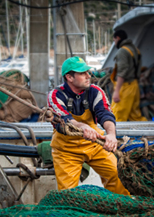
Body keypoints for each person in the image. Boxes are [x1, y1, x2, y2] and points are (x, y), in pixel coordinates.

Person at [47, 56, 130, 195]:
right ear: (69, 77)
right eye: (82, 73)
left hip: (95, 145)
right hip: (66, 151)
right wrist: (83, 127)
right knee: (67, 194)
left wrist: (111, 134)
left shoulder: (95, 91)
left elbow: (105, 114)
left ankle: (123, 208)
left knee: (117, 175)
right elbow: (63, 120)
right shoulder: (55, 95)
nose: (88, 76)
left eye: (87, 71)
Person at [111, 30, 147, 122]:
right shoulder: (135, 49)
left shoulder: (122, 51)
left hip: (125, 87)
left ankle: (115, 136)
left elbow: (122, 71)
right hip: (134, 86)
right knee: (135, 116)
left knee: (117, 115)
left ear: (118, 38)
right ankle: (145, 133)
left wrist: (117, 91)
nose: (114, 42)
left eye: (114, 40)